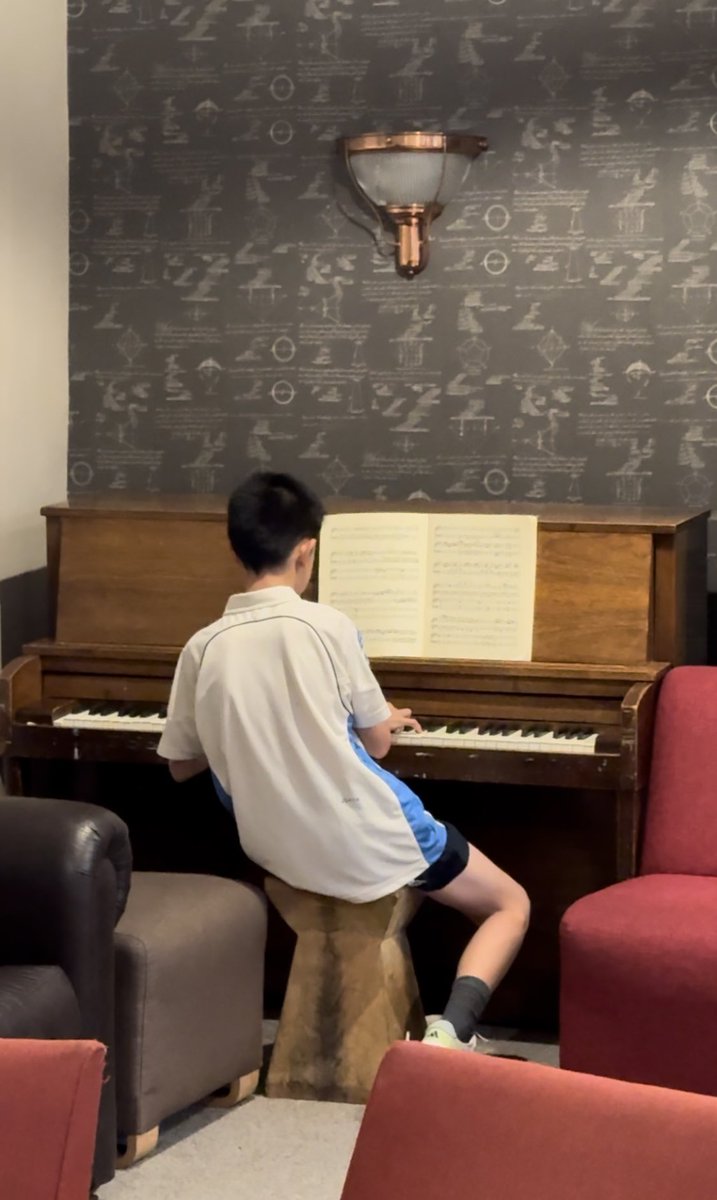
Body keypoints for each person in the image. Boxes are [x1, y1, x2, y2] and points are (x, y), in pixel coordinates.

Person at [157, 471, 530, 1051]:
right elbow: (377, 744)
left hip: (278, 850)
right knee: (510, 902)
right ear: (307, 550)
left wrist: (244, 726)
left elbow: (181, 765)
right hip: (366, 840)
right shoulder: (327, 626)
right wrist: (387, 720)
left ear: (236, 550)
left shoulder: (201, 647)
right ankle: (453, 1032)